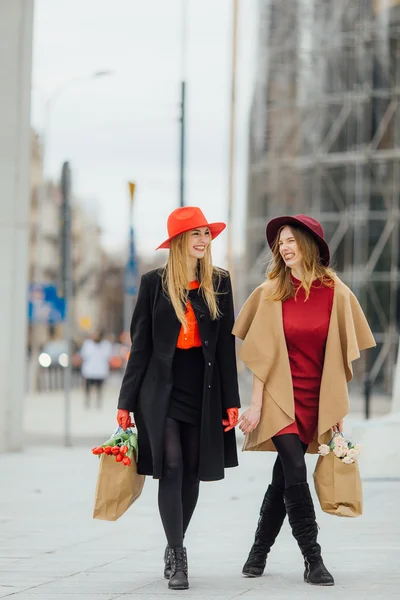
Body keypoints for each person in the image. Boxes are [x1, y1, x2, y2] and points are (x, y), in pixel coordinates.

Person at [232, 214, 375, 587]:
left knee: (283, 476)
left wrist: (338, 408)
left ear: (310, 244)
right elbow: (261, 357)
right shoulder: (270, 292)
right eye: (281, 242)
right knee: (295, 468)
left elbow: (344, 354)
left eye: (292, 240)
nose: (285, 247)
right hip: (281, 397)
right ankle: (313, 559)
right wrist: (257, 404)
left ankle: (258, 551)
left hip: (316, 397)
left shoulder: (336, 292)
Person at [116, 206, 240, 591]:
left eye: (207, 234)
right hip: (159, 391)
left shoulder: (219, 282)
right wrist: (125, 400)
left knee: (191, 472)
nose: (204, 241)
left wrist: (231, 400)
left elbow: (224, 349)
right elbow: (141, 346)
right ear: (178, 242)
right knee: (170, 467)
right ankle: (179, 555)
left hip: (203, 390)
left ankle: (174, 547)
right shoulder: (154, 282)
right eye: (196, 234)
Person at [80, 331, 112, 409]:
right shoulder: (88, 344)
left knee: (99, 389)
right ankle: (88, 402)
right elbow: (84, 355)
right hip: (89, 371)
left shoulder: (106, 345)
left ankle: (98, 403)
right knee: (88, 388)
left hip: (100, 371)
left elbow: (108, 356)